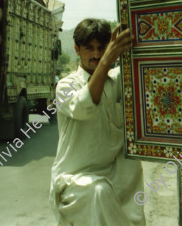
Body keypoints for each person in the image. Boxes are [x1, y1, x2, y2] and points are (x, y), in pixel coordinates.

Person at [49, 18, 145, 226]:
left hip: (117, 177)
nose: (96, 55)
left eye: (102, 48)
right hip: (75, 181)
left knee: (129, 170)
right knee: (99, 192)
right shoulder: (66, 87)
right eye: (89, 48)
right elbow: (85, 106)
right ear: (76, 49)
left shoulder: (118, 81)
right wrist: (107, 60)